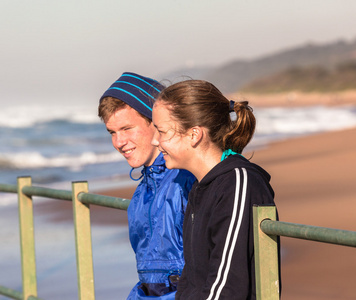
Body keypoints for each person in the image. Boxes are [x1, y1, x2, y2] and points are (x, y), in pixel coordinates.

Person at [151, 80, 280, 299]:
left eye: (161, 131)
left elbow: (227, 285)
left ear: (194, 134)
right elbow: (192, 279)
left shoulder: (238, 183)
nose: (155, 141)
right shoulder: (201, 186)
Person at [98, 72, 196, 299]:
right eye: (112, 132)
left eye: (127, 129)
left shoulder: (188, 178)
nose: (119, 142)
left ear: (157, 121)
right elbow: (149, 279)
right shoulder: (140, 195)